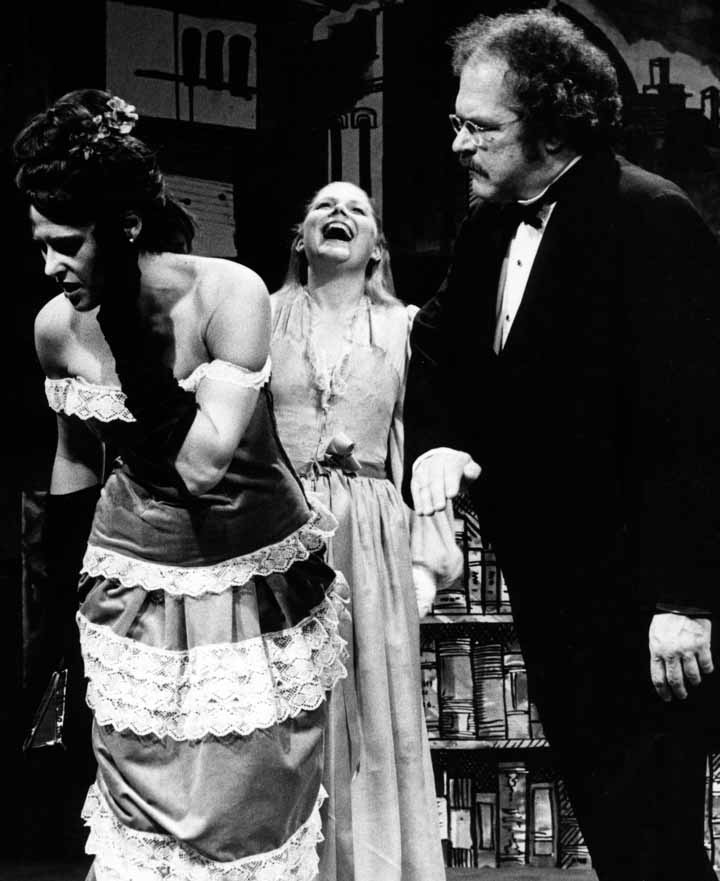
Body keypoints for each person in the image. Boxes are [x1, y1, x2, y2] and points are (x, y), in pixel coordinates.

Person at [404, 10, 720, 881]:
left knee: (656, 836)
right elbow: (437, 345)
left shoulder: (649, 216)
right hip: (552, 587)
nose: (460, 145)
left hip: (643, 599)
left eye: (481, 128)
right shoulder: (489, 224)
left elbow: (693, 423)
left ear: (551, 125)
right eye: (457, 123)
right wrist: (436, 444)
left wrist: (684, 600)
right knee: (615, 826)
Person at [15, 89, 348, 881]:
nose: (51, 267)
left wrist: (127, 330)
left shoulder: (228, 293)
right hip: (132, 582)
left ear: (125, 226)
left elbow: (202, 463)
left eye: (67, 244)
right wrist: (54, 604)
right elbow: (74, 458)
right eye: (41, 245)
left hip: (247, 578)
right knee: (138, 808)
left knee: (246, 808)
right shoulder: (55, 327)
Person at [270, 181, 452, 881]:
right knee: (285, 705)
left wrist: (427, 559)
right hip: (279, 526)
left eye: (357, 209)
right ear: (300, 237)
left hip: (368, 533)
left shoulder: (407, 326)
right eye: (323, 206)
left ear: (377, 247)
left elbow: (424, 440)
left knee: (374, 708)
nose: (339, 214)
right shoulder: (263, 315)